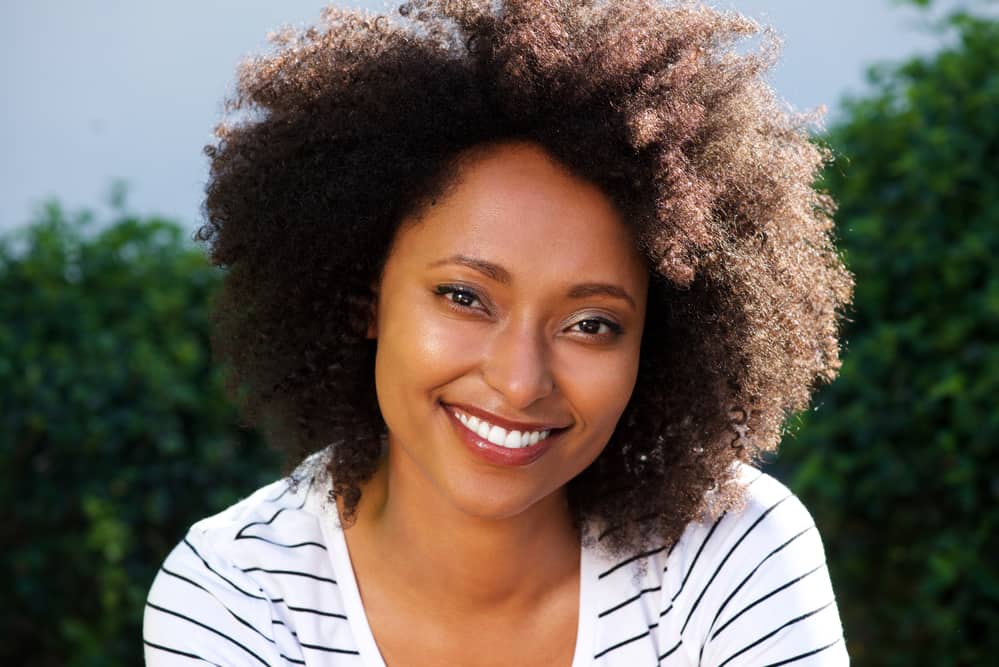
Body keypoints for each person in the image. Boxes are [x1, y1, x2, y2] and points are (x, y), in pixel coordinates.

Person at [143, 1, 854, 664]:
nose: (519, 380)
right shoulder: (237, 595)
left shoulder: (727, 550)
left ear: (654, 348)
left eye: (591, 324)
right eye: (464, 296)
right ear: (366, 299)